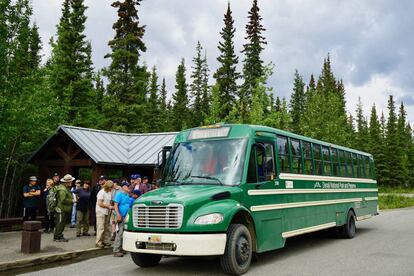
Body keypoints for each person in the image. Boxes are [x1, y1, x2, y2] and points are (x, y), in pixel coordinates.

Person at [113, 181, 132, 257]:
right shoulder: (119, 194)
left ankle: (121, 248)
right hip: (120, 215)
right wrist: (118, 214)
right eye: (127, 186)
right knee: (119, 232)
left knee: (124, 233)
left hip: (126, 216)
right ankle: (116, 250)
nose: (129, 187)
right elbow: (115, 205)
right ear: (123, 187)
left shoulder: (127, 195)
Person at [54, 174, 74, 242]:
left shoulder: (64, 188)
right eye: (71, 181)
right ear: (67, 182)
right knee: (60, 223)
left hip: (62, 209)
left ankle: (58, 236)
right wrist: (72, 200)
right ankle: (58, 237)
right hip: (60, 209)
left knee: (61, 223)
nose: (71, 182)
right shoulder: (62, 189)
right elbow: (63, 200)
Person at [95, 180, 113, 248]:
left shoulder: (109, 192)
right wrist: (108, 206)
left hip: (107, 211)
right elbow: (100, 203)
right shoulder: (101, 192)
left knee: (107, 227)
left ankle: (105, 241)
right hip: (101, 211)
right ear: (107, 187)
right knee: (101, 227)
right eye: (110, 187)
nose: (111, 189)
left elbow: (109, 201)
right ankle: (98, 242)